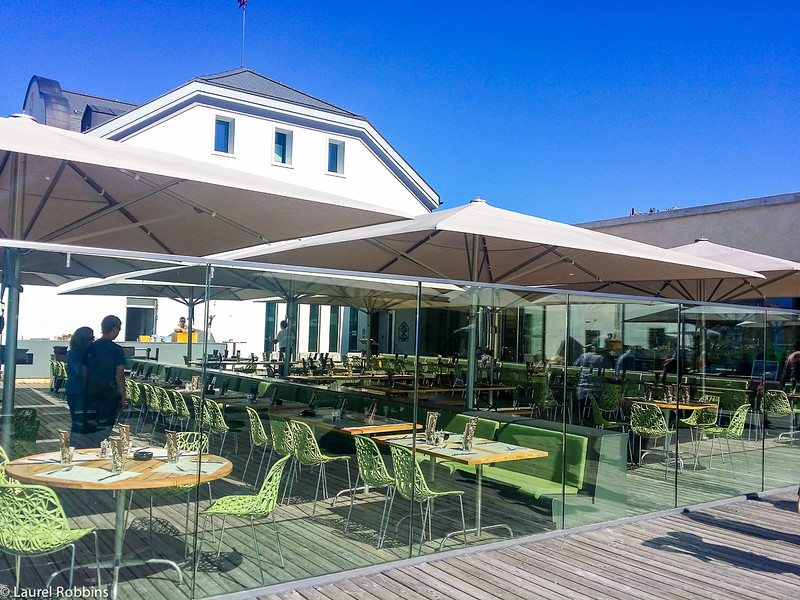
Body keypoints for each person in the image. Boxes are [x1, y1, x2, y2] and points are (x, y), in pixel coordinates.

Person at [82, 315, 126, 446]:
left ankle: (90, 451)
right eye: (118, 329)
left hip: (91, 394)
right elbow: (120, 376)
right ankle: (99, 449)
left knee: (90, 429)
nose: (118, 333)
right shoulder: (117, 350)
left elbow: (84, 373)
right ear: (114, 328)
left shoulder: (90, 348)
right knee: (105, 429)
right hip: (109, 395)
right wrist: (123, 396)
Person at [65, 326, 93, 435]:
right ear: (83, 340)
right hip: (76, 391)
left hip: (88, 391)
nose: (92, 341)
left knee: (89, 423)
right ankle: (74, 447)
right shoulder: (72, 354)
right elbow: (80, 372)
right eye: (90, 338)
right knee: (77, 423)